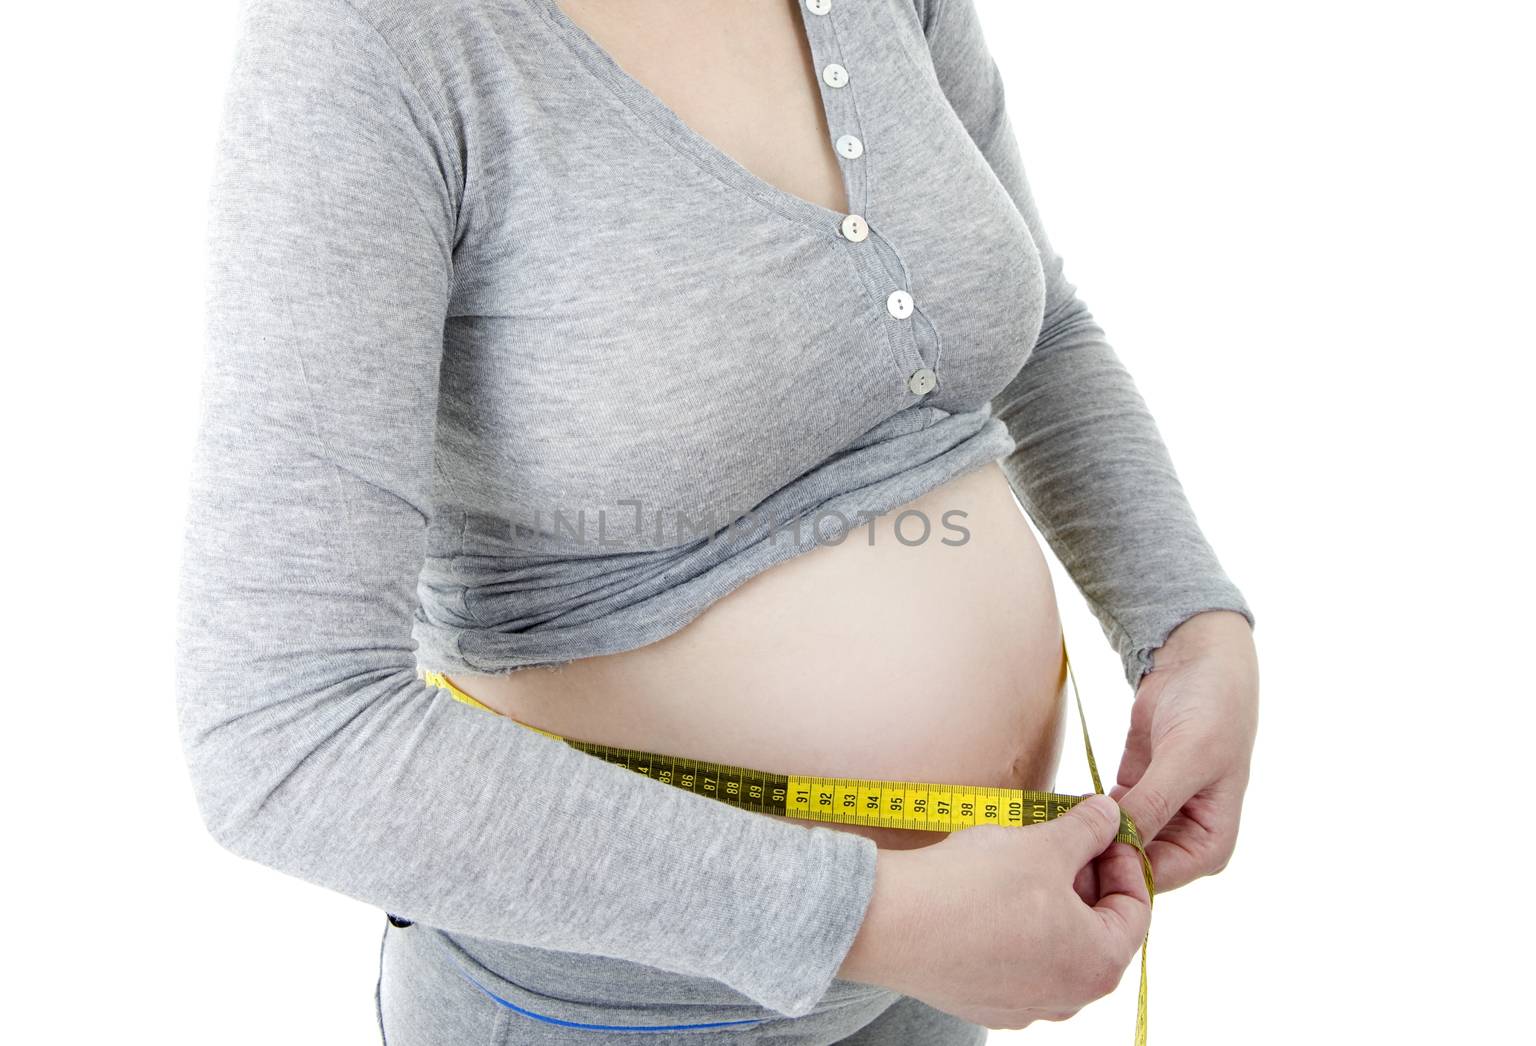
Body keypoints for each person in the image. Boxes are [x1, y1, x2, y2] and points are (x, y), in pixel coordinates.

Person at [175, 0, 1260, 1042]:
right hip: (618, 1013)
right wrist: (876, 915)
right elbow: (284, 732)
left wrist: (1188, 621)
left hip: (958, 964)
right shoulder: (371, 38)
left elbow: (1039, 328)